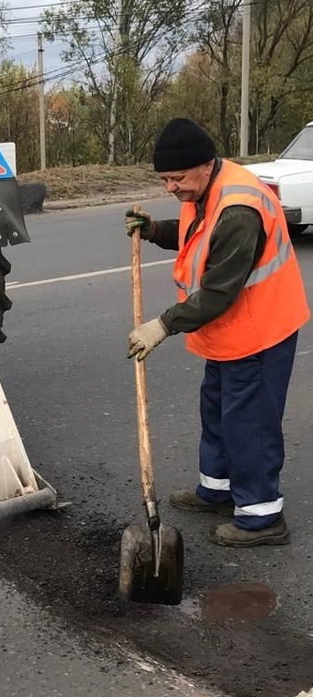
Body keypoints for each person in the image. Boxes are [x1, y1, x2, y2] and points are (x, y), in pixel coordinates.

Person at [125, 117, 309, 548]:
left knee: (250, 425)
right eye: (164, 180)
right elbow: (195, 235)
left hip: (260, 333)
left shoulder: (239, 209)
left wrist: (162, 325)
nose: (171, 188)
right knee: (218, 413)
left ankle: (262, 517)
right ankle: (219, 489)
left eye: (177, 178)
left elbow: (219, 292)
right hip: (230, 335)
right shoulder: (206, 189)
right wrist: (155, 231)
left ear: (206, 165)